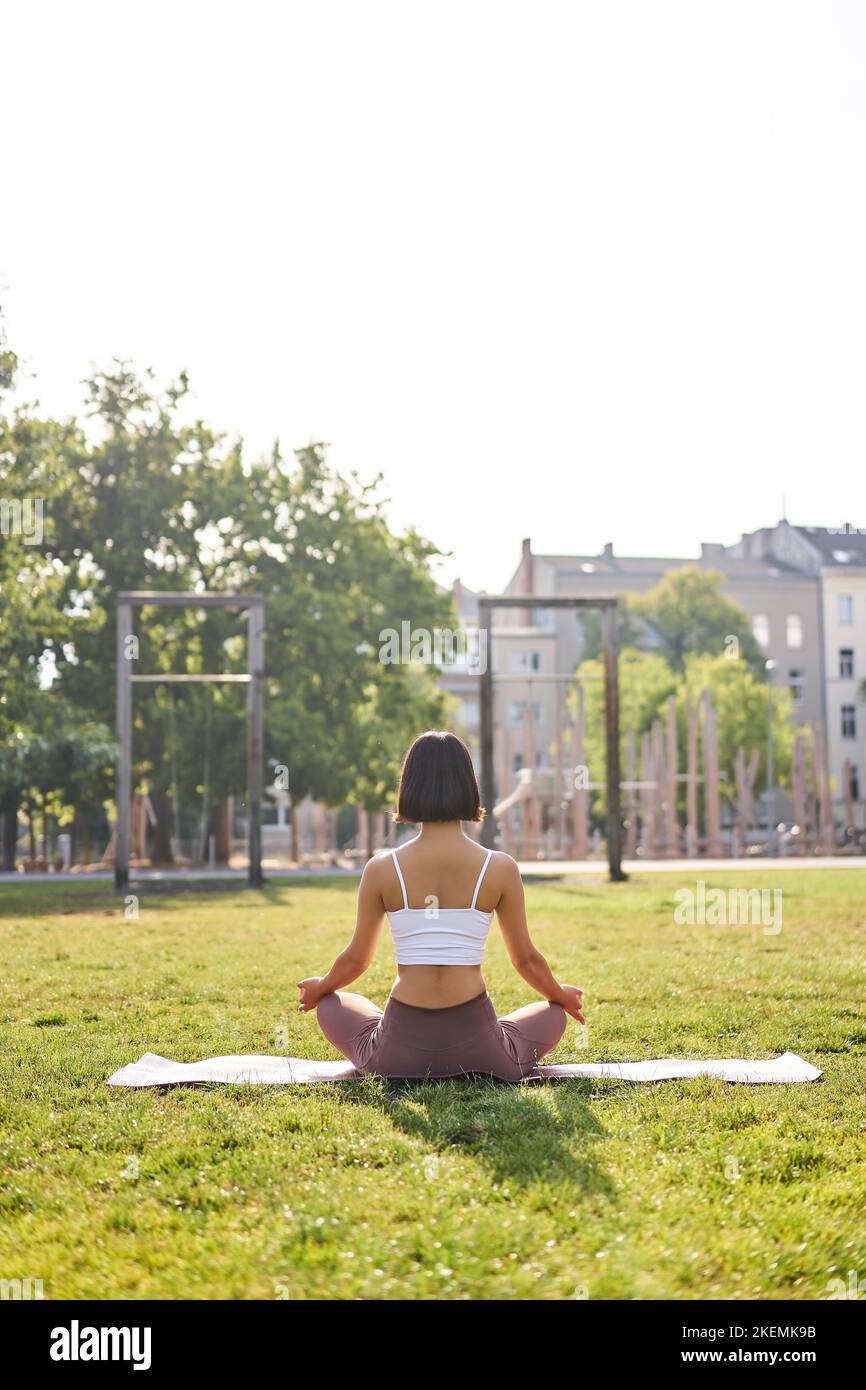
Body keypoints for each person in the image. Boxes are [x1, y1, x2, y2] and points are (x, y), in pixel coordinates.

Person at [298, 730, 585, 1081]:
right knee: (553, 1013)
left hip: (396, 1054)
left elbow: (356, 960)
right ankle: (497, 1044)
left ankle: (381, 1045)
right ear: (468, 786)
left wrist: (321, 987)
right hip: (482, 1051)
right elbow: (526, 960)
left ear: (409, 787)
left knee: (331, 1004)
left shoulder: (382, 869)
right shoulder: (500, 868)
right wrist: (561, 996)